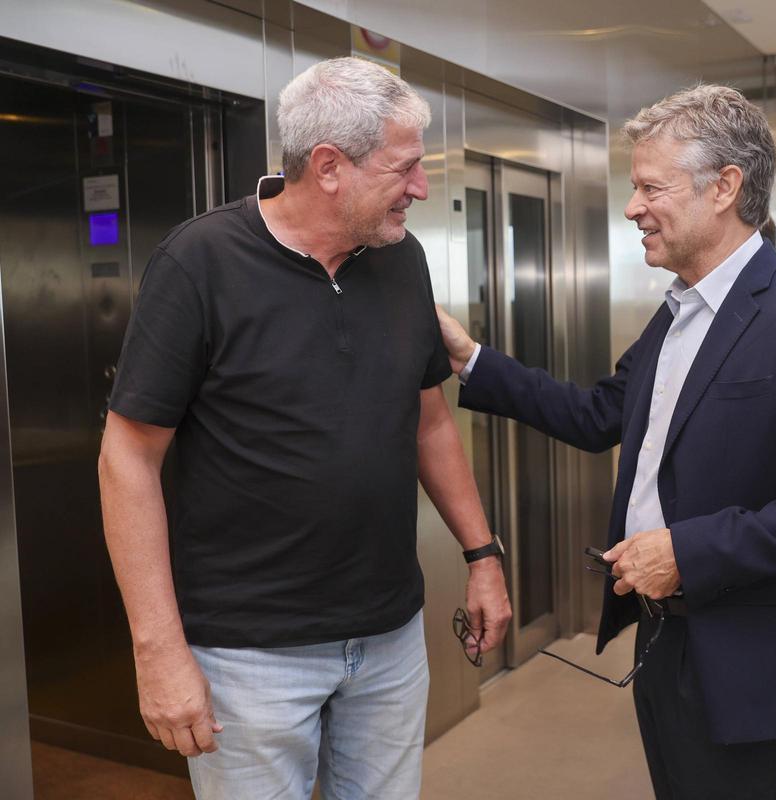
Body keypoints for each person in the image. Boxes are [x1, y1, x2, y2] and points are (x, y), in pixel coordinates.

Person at [438, 84, 776, 798]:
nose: (632, 206)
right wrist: (472, 359)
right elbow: (596, 416)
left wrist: (689, 549)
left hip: (750, 657)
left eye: (651, 186)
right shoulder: (677, 313)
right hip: (664, 636)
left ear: (725, 188)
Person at [97, 57, 511, 800]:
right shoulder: (198, 264)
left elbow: (428, 419)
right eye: (405, 168)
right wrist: (157, 651)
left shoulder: (401, 259)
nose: (421, 188)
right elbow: (127, 457)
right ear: (328, 167)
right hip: (247, 655)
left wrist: (482, 555)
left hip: (388, 638)